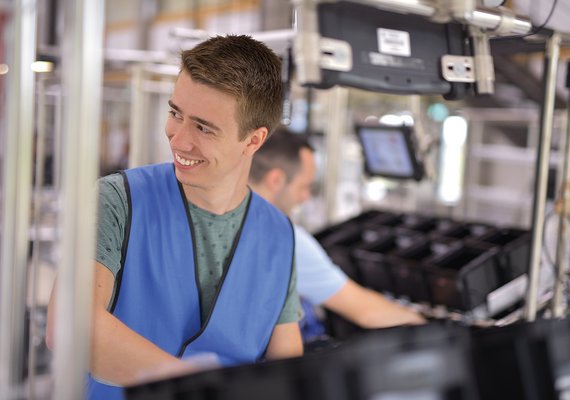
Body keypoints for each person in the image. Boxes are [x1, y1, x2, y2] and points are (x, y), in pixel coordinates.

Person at [46, 35, 303, 400]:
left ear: (253, 140)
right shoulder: (119, 200)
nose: (179, 140)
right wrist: (196, 386)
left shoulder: (279, 234)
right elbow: (69, 325)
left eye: (203, 127)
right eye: (175, 113)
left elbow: (287, 366)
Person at [249, 129, 426, 342]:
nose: (305, 198)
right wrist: (423, 323)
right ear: (275, 180)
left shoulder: (219, 219)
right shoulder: (283, 238)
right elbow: (366, 312)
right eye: (304, 186)